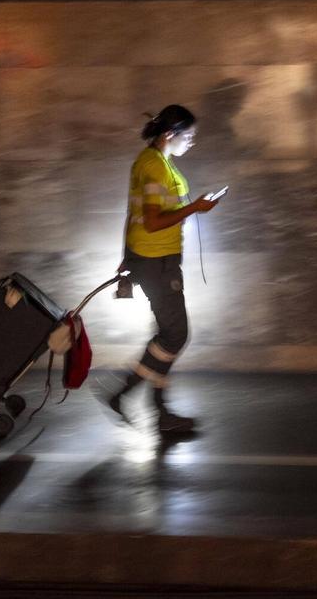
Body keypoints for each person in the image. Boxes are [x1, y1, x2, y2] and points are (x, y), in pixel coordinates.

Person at [105, 104, 221, 433]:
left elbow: (134, 213)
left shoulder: (153, 162)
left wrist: (127, 257)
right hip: (157, 261)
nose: (193, 142)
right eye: (190, 136)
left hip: (152, 258)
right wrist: (195, 207)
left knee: (167, 335)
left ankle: (159, 412)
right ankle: (125, 394)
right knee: (176, 334)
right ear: (170, 135)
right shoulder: (155, 166)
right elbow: (153, 221)